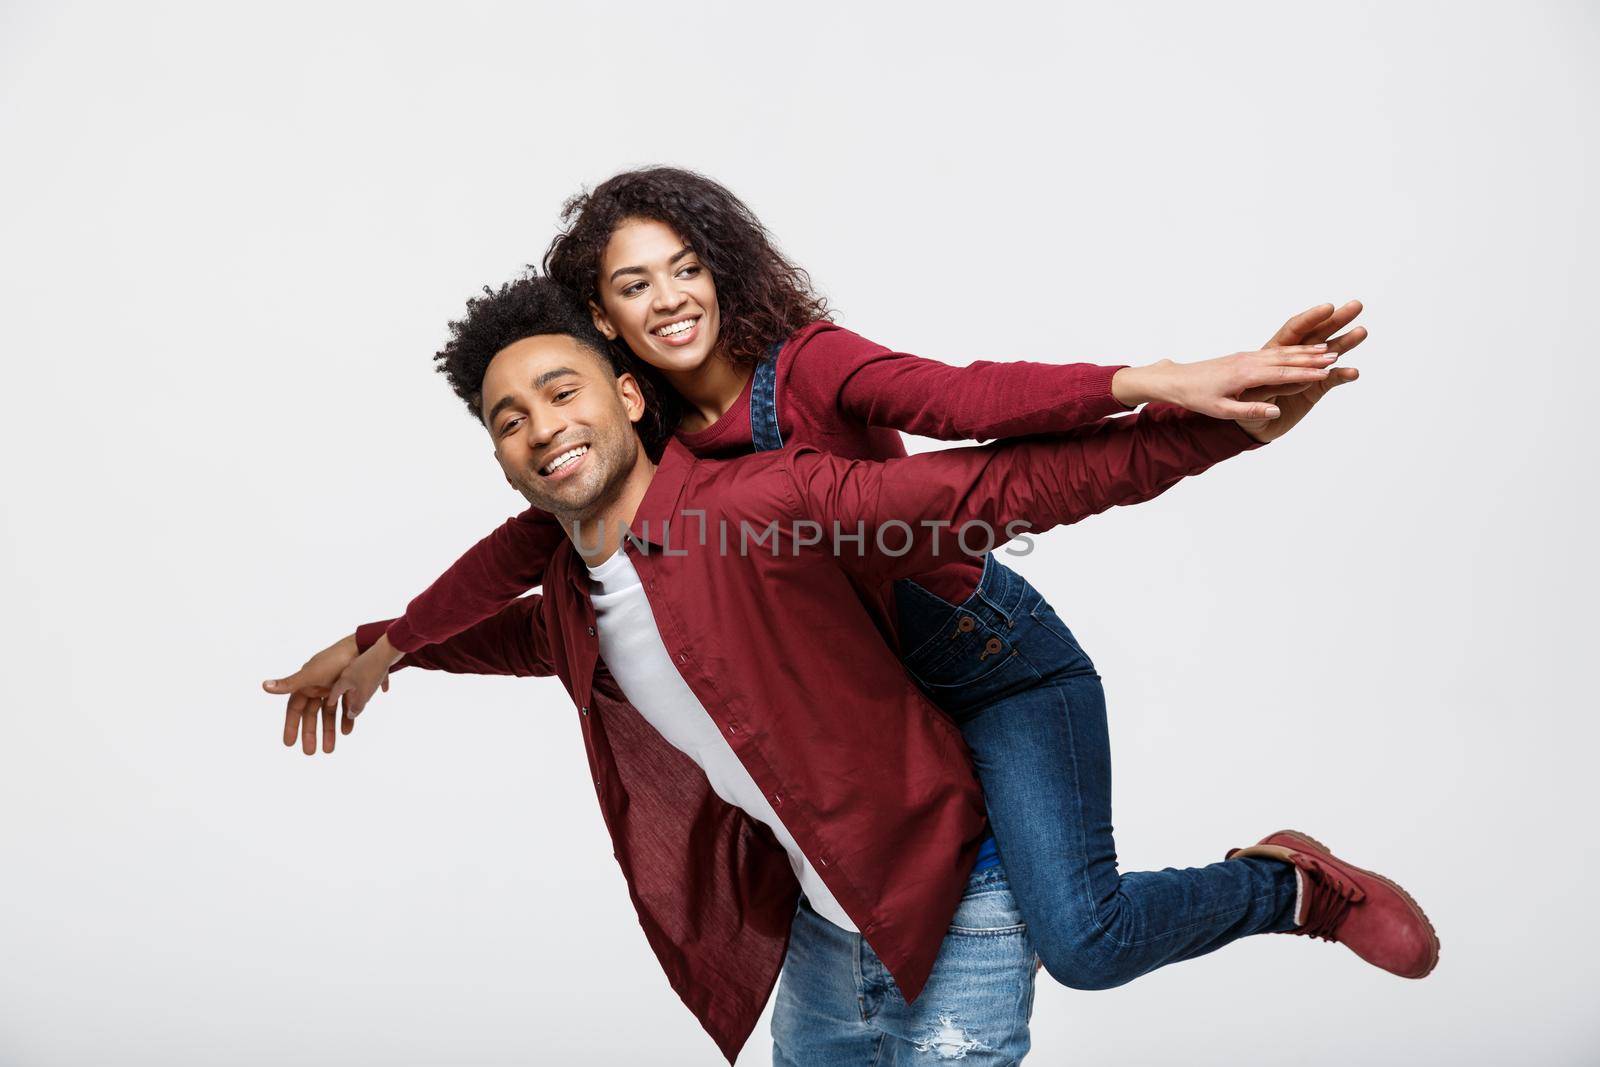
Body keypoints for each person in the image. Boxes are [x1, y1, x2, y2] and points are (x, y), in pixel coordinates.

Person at [293, 168, 1436, 993]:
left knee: (1083, 942)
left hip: (982, 657)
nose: (671, 298)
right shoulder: (640, 453)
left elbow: (973, 420)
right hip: (867, 691)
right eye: (635, 284)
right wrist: (389, 639)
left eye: (686, 266)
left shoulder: (806, 371)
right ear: (604, 319)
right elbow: (523, 555)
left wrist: (1172, 387)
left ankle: (1283, 883)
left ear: (721, 264)